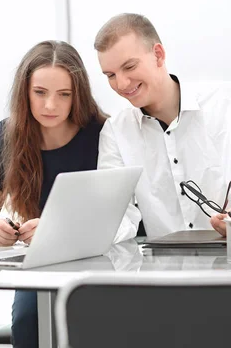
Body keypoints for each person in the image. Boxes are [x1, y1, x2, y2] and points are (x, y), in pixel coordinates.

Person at [0, 40, 107, 348]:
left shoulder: (102, 133)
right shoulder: (8, 134)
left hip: (97, 262)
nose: (50, 106)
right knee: (27, 323)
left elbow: (119, 215)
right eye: (40, 93)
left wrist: (57, 230)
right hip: (41, 264)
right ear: (25, 91)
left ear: (78, 95)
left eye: (64, 95)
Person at [95, 13, 231, 240]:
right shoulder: (115, 132)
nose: (121, 84)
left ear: (158, 55)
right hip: (163, 271)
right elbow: (116, 219)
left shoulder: (225, 104)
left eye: (129, 66)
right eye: (110, 75)